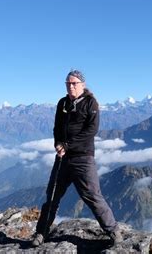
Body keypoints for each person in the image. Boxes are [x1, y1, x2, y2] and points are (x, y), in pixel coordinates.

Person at [32, 69, 122, 246]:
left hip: (83, 158)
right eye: (68, 83)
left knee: (93, 196)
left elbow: (91, 131)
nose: (70, 86)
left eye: (74, 83)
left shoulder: (91, 103)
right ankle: (41, 233)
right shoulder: (62, 103)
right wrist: (58, 144)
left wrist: (67, 145)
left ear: (82, 85)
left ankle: (113, 231)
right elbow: (57, 127)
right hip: (63, 159)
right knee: (52, 196)